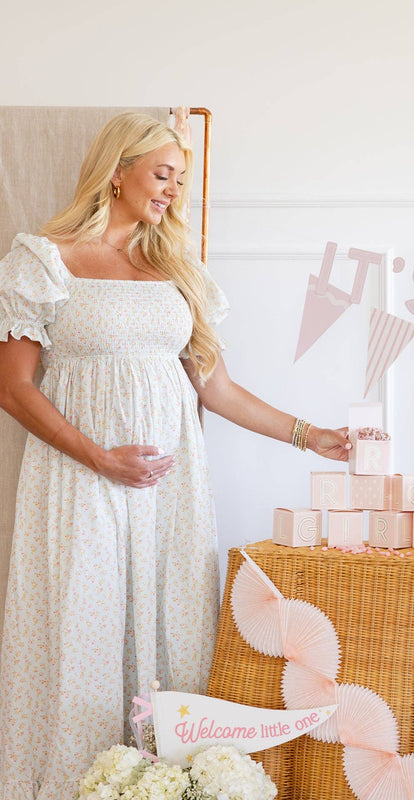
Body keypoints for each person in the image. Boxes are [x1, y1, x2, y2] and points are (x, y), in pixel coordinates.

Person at [0, 112, 351, 800]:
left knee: (174, 634)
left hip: (171, 488)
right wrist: (100, 457)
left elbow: (216, 388)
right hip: (79, 479)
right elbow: (12, 389)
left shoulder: (175, 268)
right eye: (162, 174)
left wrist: (311, 436)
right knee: (83, 636)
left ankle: (168, 786)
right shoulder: (44, 259)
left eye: (180, 179)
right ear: (118, 169)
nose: (171, 191)